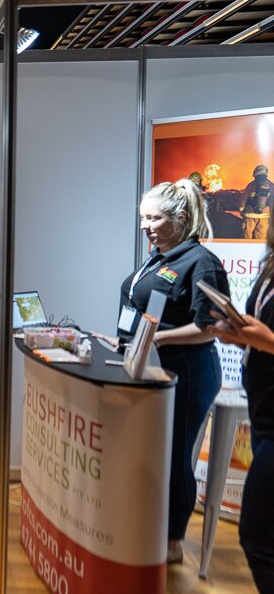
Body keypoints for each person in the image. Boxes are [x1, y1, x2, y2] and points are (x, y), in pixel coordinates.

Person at [102, 179, 228, 565]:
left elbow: (212, 325)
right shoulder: (159, 254)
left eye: (154, 218)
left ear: (181, 218)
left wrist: (156, 340)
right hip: (151, 365)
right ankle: (151, 526)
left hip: (187, 373)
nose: (145, 226)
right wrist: (126, 341)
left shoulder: (201, 262)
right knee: (153, 454)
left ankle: (172, 542)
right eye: (143, 218)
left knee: (174, 457)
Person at [209, 226, 274, 592]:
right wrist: (240, 335)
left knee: (256, 535)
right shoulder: (269, 268)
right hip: (263, 409)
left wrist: (265, 339)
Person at [240, 164, 272, 240]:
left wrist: (241, 209)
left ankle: (246, 250)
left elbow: (244, 198)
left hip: (250, 214)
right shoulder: (271, 185)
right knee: (261, 237)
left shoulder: (251, 185)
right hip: (264, 215)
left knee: (247, 235)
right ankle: (259, 250)